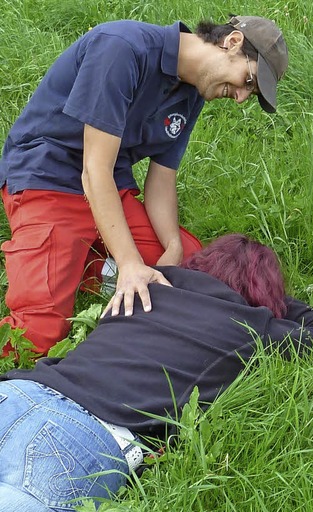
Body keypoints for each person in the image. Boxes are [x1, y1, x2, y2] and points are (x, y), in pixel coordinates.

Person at [0, 234, 313, 512]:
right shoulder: (251, 324)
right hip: (80, 436)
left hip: (21, 390)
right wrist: (272, 301)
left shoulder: (145, 286)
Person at [0, 15, 289, 356]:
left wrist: (172, 248)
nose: (241, 97)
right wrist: (130, 263)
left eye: (250, 93)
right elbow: (94, 170)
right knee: (38, 337)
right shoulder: (122, 48)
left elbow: (162, 177)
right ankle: (88, 263)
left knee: (201, 276)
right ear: (233, 43)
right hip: (48, 180)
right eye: (248, 81)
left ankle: (89, 264)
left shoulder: (194, 89)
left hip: (111, 188)